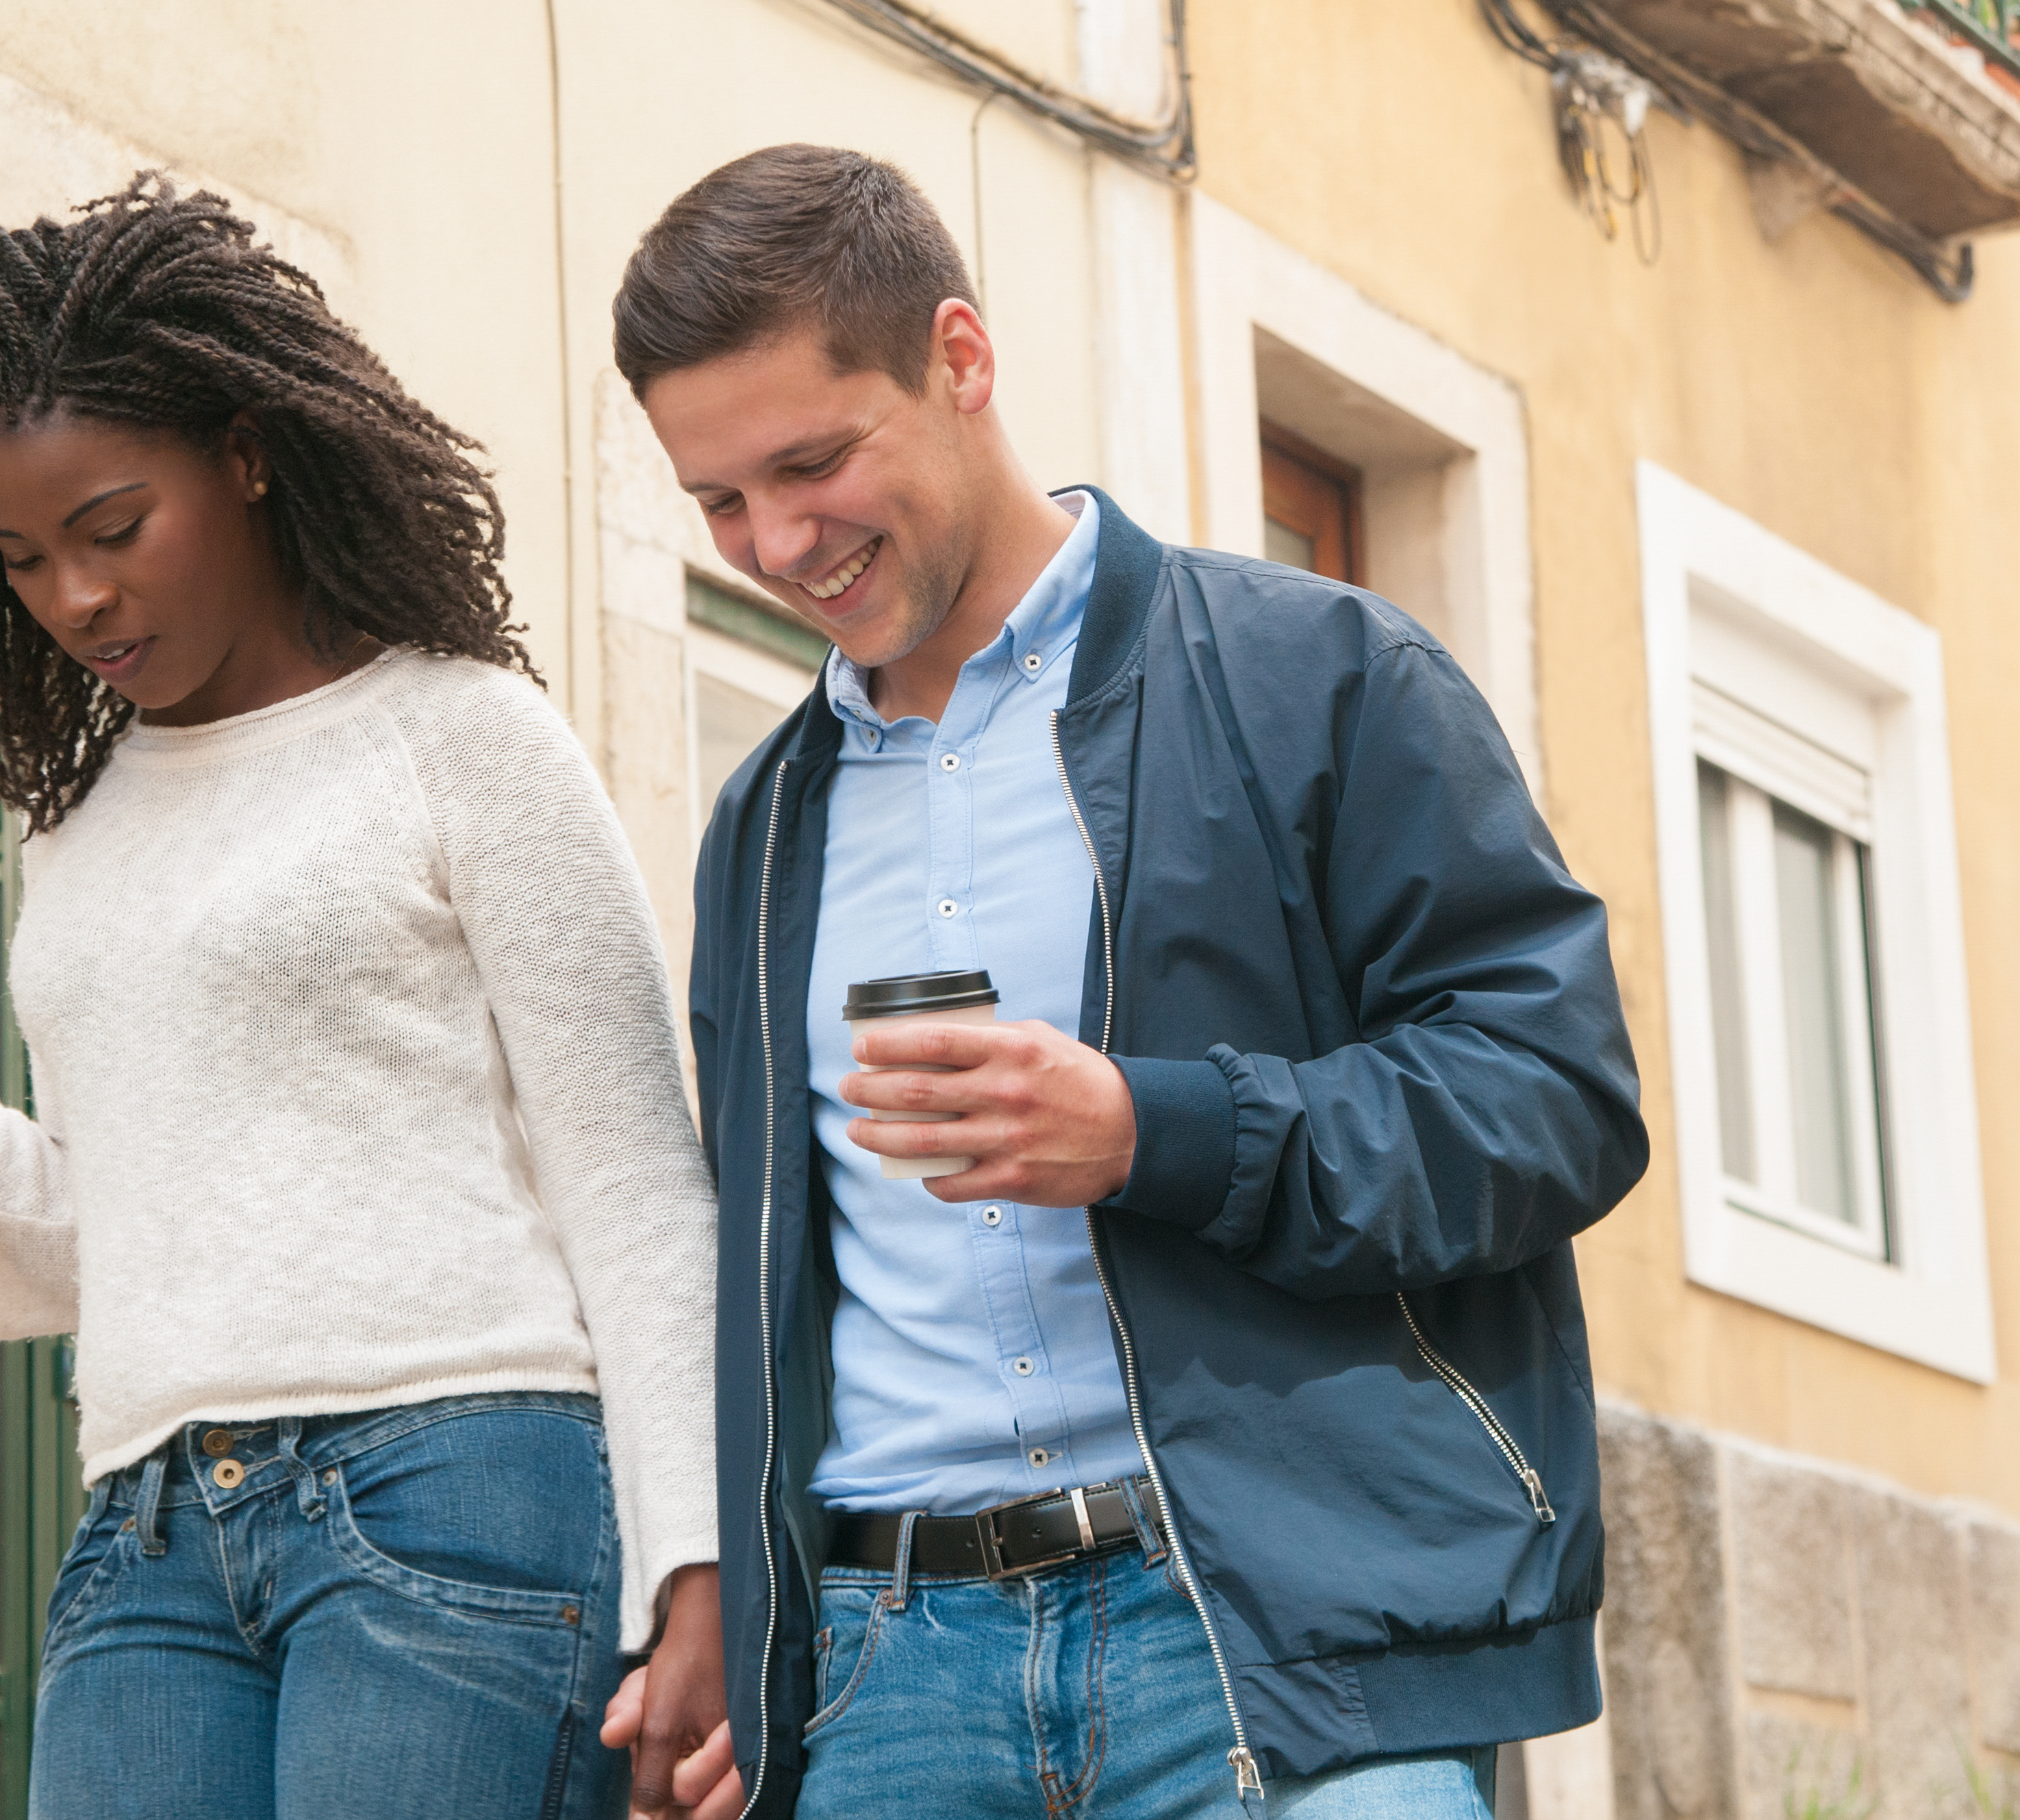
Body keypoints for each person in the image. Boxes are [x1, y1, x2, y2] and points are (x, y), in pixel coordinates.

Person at [0, 177, 732, 1820]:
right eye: (24, 558)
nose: (76, 598)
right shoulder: (79, 827)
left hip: (452, 1487)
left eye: (114, 527)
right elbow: (130, 1225)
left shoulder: (463, 741)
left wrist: (699, 1570)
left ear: (245, 451)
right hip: (149, 1534)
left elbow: (638, 1181)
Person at [614, 146, 1647, 1819]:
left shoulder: (1321, 675)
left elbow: (1554, 1098)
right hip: (894, 1686)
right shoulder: (763, 827)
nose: (777, 541)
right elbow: (754, 1273)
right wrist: (747, 1613)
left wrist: (1153, 1133)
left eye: (812, 462)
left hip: (1271, 1644)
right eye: (720, 500)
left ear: (961, 359)